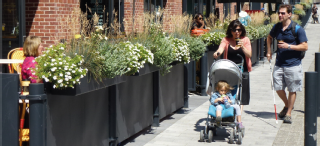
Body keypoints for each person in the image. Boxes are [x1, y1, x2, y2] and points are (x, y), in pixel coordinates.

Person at [266, 4, 308, 124]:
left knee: (292, 88)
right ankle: (287, 105)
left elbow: (305, 46)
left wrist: (288, 46)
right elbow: (269, 38)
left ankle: (288, 113)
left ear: (289, 14)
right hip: (279, 63)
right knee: (277, 87)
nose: (280, 15)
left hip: (293, 64)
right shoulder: (277, 27)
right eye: (279, 13)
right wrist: (269, 51)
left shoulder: (297, 29)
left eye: (283, 13)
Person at [213, 19, 252, 113]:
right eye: (234, 30)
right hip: (229, 70)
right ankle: (228, 110)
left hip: (243, 69)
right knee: (229, 90)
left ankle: (239, 115)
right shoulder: (226, 40)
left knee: (242, 93)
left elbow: (249, 55)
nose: (237, 32)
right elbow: (221, 48)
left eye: (239, 30)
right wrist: (217, 53)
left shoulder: (245, 40)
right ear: (231, 31)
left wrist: (242, 46)